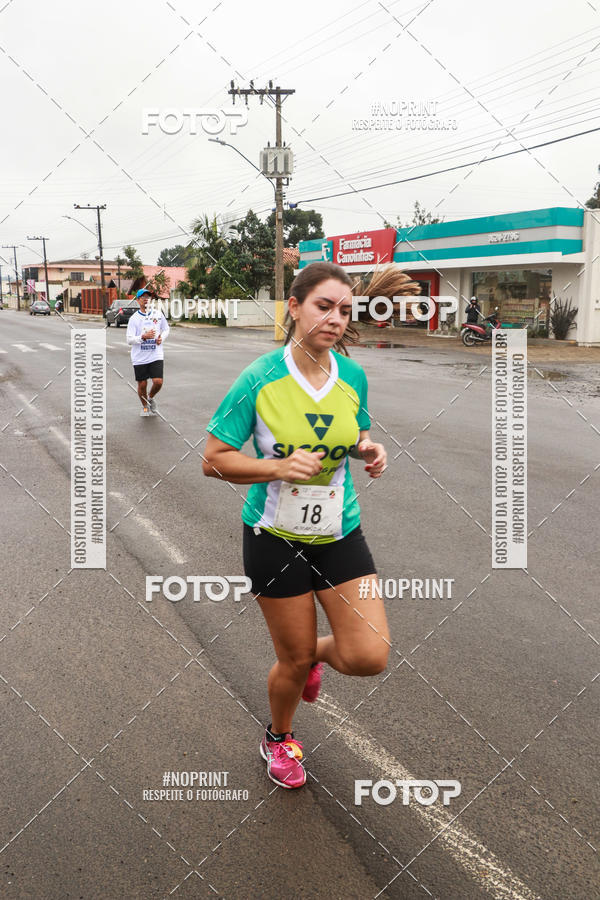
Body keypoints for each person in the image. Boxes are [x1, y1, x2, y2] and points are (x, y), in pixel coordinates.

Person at [203, 261, 419, 789]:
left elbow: (358, 434)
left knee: (368, 655)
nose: (336, 319)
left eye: (345, 310)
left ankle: (312, 656)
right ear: (294, 307)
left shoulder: (354, 376)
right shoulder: (258, 379)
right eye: (324, 306)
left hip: (340, 531)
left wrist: (370, 449)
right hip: (272, 537)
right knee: (291, 661)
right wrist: (276, 466)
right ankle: (279, 737)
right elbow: (213, 459)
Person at [126, 288, 169, 417]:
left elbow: (166, 329)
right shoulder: (134, 319)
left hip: (155, 354)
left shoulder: (158, 314)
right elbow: (129, 339)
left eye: (148, 297)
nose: (146, 299)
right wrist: (143, 337)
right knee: (142, 384)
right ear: (138, 300)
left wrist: (162, 337)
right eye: (143, 297)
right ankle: (145, 407)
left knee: (158, 382)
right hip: (140, 357)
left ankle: (150, 398)